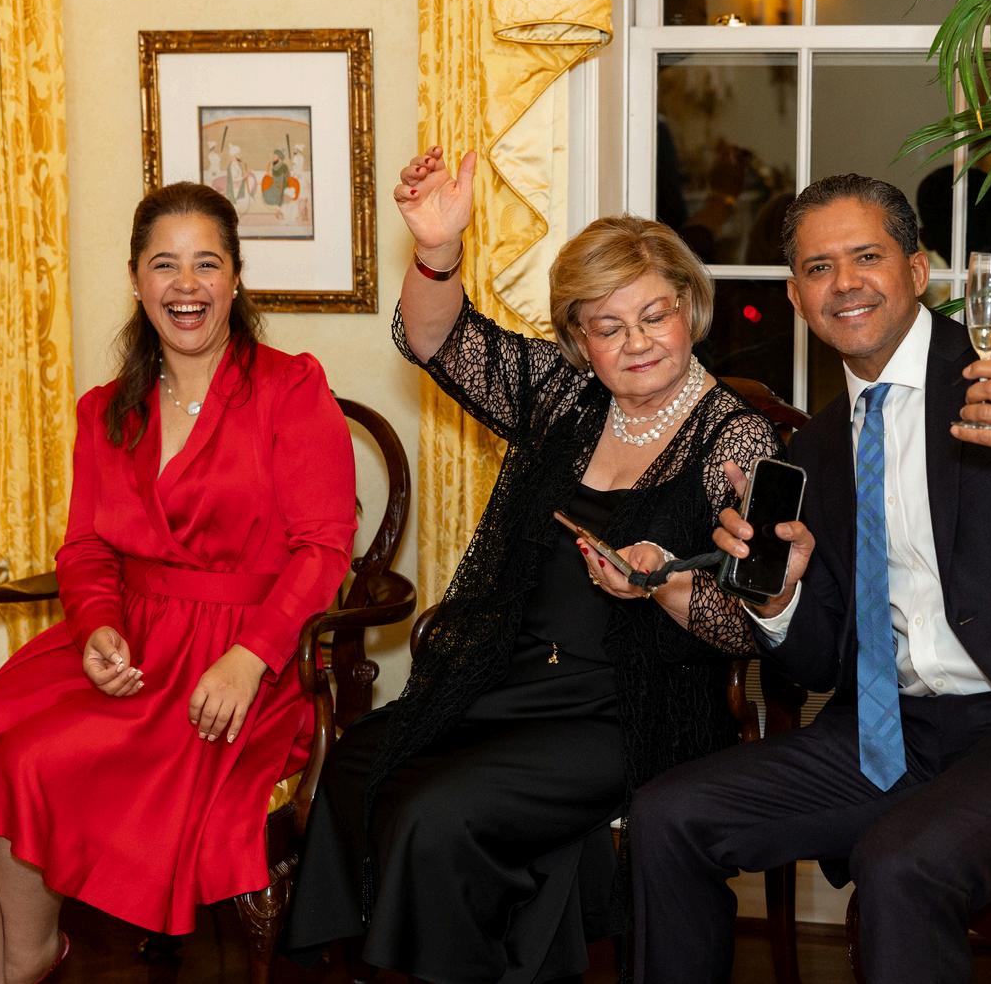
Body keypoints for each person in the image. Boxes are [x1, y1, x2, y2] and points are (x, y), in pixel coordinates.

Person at [629, 173, 991, 983]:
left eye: (866, 256)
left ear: (917, 269)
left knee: (901, 863)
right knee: (665, 815)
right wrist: (779, 596)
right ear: (796, 297)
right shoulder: (816, 449)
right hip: (891, 732)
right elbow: (821, 659)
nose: (845, 283)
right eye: (819, 267)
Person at [284, 146, 782, 983]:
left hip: (630, 709)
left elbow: (752, 624)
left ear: (689, 307)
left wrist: (664, 583)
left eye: (653, 315)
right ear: (579, 339)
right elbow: (436, 340)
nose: (637, 342)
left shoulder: (735, 437)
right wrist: (437, 248)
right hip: (510, 679)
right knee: (361, 764)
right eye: (608, 326)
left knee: (436, 813)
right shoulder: (564, 398)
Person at [0, 182, 357, 984]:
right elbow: (86, 548)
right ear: (135, 279)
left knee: (26, 764)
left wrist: (250, 657)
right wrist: (98, 624)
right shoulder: (107, 410)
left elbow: (323, 549)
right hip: (124, 645)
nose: (186, 284)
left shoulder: (291, 389)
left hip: (241, 663)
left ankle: (28, 955)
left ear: (236, 277)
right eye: (164, 264)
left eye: (207, 263)